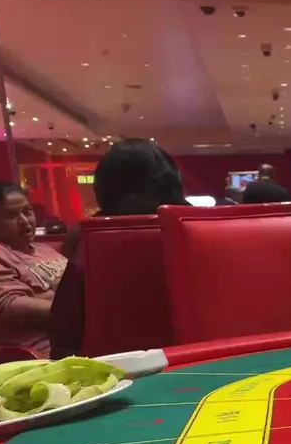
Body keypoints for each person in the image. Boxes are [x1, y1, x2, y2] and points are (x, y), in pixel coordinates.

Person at [50, 138, 191, 358]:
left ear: (103, 188)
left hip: (110, 368)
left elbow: (64, 331)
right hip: (205, 360)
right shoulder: (200, 227)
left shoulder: (89, 237)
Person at [0, 182, 67, 354]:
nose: (24, 221)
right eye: (11, 215)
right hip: (44, 352)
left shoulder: (44, 250)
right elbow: (8, 306)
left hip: (80, 337)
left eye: (27, 211)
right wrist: (79, 310)